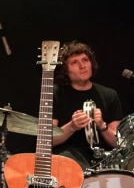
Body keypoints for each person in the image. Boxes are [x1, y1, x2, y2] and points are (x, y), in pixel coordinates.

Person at [51, 41, 123, 169]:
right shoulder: (56, 93)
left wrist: (102, 126)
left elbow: (118, 143)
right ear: (65, 70)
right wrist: (72, 126)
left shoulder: (109, 94)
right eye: (74, 63)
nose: (82, 66)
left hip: (102, 159)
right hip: (67, 159)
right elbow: (48, 141)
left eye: (85, 60)